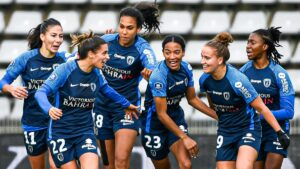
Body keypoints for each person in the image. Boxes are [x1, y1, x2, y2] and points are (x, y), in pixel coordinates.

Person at [34, 31, 140, 169]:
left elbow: (107, 90)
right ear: (91, 54)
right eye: (104, 53)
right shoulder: (66, 69)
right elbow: (40, 92)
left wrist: (126, 104)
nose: (108, 57)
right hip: (60, 132)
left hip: (84, 131)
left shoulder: (96, 73)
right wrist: (49, 108)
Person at [199, 32, 290, 169]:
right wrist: (223, 118)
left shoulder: (239, 79)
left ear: (220, 60)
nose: (202, 62)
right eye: (202, 57)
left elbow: (268, 109)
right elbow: (215, 106)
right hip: (226, 130)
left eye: (252, 42)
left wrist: (279, 132)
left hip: (251, 128)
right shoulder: (206, 79)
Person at [93, 2, 160, 169]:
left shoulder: (143, 49)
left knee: (121, 160)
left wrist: (149, 73)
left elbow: (153, 68)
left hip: (127, 109)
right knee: (108, 165)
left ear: (138, 29)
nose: (124, 31)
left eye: (129, 28)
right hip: (102, 109)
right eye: (121, 26)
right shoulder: (106, 41)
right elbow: (79, 58)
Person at [141, 34, 218, 169]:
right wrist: (185, 138)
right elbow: (161, 114)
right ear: (163, 53)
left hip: (175, 117)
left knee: (186, 164)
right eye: (167, 52)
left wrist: (218, 116)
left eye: (176, 52)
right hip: (154, 124)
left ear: (183, 52)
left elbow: (192, 99)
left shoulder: (186, 68)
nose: (172, 57)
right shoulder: (158, 76)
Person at [0, 18, 67, 169]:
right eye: (54, 35)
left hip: (57, 122)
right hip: (33, 123)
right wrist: (11, 89)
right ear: (42, 36)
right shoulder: (26, 58)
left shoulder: (64, 59)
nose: (58, 40)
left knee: (57, 164)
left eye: (61, 36)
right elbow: (2, 82)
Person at [240, 27, 295, 169]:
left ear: (264, 46)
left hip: (276, 130)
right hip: (254, 130)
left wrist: (261, 115)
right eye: (247, 42)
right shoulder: (243, 72)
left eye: (252, 43)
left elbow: (288, 112)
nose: (248, 46)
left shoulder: (279, 74)